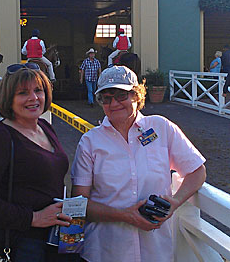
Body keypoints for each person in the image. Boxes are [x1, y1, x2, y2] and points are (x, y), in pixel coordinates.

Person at [71, 65, 206, 262]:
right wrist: (125, 215)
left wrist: (175, 202)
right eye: (106, 98)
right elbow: (80, 204)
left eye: (121, 95)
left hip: (156, 250)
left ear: (136, 95)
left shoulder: (161, 127)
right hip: (106, 251)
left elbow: (197, 171)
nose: (114, 103)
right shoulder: (90, 142)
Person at [0, 64, 79, 262]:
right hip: (17, 244)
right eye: (22, 93)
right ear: (8, 99)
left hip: (51, 239)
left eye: (38, 90)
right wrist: (33, 218)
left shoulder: (44, 127)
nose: (33, 98)